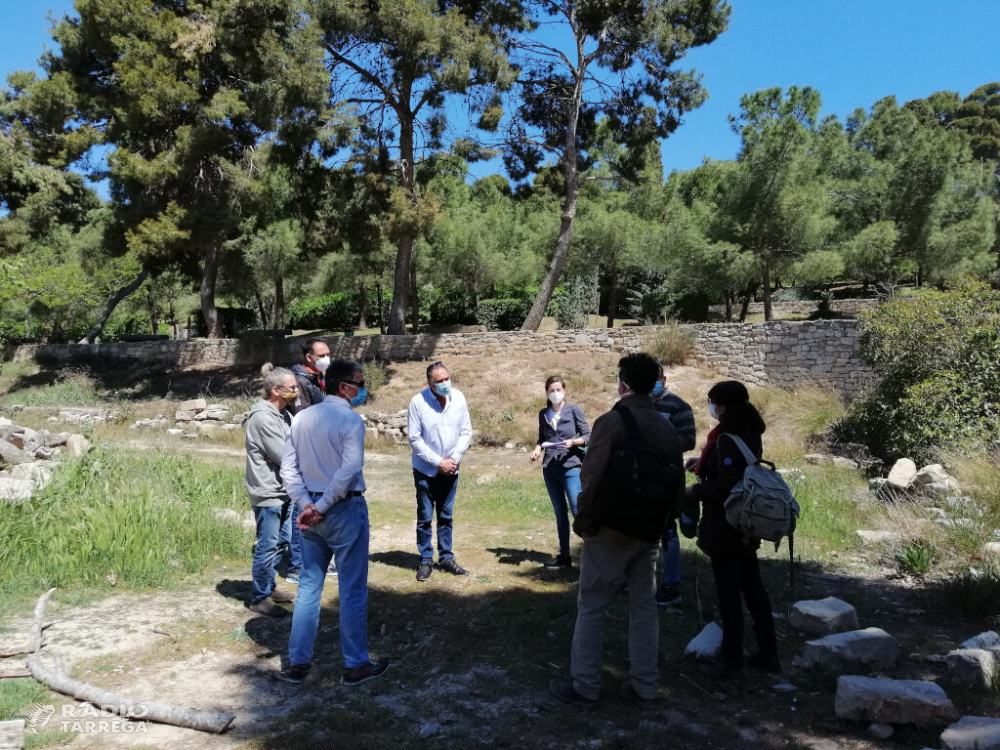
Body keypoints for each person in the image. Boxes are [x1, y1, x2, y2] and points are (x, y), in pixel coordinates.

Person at [550, 353, 684, 708]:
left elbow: (591, 474)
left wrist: (585, 518)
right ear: (656, 382)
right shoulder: (667, 425)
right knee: (644, 607)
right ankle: (645, 687)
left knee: (593, 603)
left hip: (610, 526)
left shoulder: (612, 421)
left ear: (622, 382)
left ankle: (585, 686)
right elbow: (677, 482)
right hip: (649, 530)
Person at [279, 359, 389, 686]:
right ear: (343, 386)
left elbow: (289, 469)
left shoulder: (301, 419)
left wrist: (306, 504)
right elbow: (348, 470)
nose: (362, 388)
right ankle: (355, 664)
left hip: (312, 509)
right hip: (342, 509)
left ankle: (298, 662)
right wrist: (322, 505)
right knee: (352, 589)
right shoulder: (350, 421)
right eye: (359, 382)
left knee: (309, 587)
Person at [686, 380, 779, 680]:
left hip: (726, 524)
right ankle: (768, 653)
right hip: (746, 524)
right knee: (753, 589)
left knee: (729, 594)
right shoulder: (750, 431)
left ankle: (731, 661)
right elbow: (739, 470)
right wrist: (703, 463)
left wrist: (692, 493)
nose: (711, 408)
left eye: (713, 403)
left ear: (722, 405)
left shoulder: (726, 437)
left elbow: (726, 485)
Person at [408, 361, 473, 582]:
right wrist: (438, 462)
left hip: (451, 469)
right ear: (430, 383)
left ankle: (446, 557)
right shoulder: (418, 402)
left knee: (446, 515)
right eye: (440, 381)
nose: (445, 383)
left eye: (447, 378)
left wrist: (453, 459)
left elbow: (466, 432)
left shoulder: (459, 398)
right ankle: (426, 560)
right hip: (426, 470)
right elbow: (415, 439)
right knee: (425, 517)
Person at [245, 364, 299, 617]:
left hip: (284, 489)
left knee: (281, 542)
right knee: (267, 546)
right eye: (292, 388)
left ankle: (269, 587)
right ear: (276, 390)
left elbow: (293, 449)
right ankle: (259, 597)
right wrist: (285, 455)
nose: (297, 391)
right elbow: (286, 455)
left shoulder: (284, 415)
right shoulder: (263, 417)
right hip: (268, 492)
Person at [285, 337, 334, 583]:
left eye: (328, 353)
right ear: (309, 358)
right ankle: (297, 566)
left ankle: (317, 560)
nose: (327, 358)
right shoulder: (301, 382)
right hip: (308, 451)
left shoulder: (318, 379)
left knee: (321, 503)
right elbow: (302, 417)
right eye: (322, 354)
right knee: (302, 506)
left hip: (322, 449)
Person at [530, 376, 591, 568]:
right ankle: (564, 556)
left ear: (564, 390)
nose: (555, 393)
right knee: (560, 512)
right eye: (551, 390)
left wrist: (573, 442)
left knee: (577, 510)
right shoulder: (543, 414)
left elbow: (588, 435)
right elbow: (542, 439)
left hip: (571, 465)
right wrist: (537, 449)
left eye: (558, 389)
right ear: (547, 393)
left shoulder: (574, 411)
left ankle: (593, 553)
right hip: (550, 468)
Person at [650, 364, 696, 607]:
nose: (653, 384)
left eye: (656, 379)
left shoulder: (679, 406)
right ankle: (639, 579)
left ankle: (671, 584)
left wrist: (659, 441)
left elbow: (688, 439)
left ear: (664, 379)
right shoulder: (636, 405)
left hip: (668, 480)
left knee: (668, 532)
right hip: (640, 480)